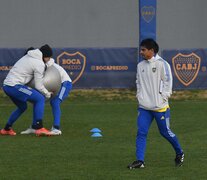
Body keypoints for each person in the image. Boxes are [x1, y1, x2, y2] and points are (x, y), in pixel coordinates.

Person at [127, 38, 184, 169]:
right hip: (144, 107)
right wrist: (139, 96)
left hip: (160, 108)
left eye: (143, 50)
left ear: (152, 50)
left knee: (165, 132)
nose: (141, 52)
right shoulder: (140, 65)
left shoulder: (162, 64)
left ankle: (179, 152)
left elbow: (168, 82)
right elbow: (138, 82)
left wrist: (163, 98)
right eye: (141, 49)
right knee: (141, 132)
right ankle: (140, 161)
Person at [0, 44, 53, 136]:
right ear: (45, 56)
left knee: (22, 107)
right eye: (49, 57)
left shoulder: (29, 56)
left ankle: (6, 129)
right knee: (40, 98)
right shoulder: (39, 63)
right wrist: (47, 93)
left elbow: (41, 65)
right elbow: (39, 85)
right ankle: (39, 127)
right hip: (15, 87)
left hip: (7, 86)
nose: (49, 59)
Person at [21, 57, 72, 135]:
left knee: (55, 102)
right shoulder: (37, 65)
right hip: (55, 84)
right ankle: (34, 127)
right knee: (37, 101)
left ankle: (56, 128)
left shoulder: (46, 64)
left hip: (65, 83)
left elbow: (49, 63)